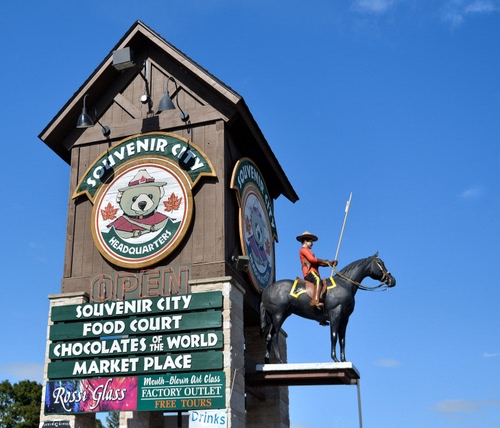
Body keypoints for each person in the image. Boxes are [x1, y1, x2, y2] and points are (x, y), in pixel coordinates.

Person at [296, 231, 337, 308]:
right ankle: (315, 301)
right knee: (318, 280)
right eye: (311, 241)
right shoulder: (303, 250)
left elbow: (317, 263)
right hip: (309, 272)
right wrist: (326, 261)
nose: (312, 243)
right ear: (305, 241)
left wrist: (329, 264)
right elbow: (313, 260)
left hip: (314, 272)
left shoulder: (309, 251)